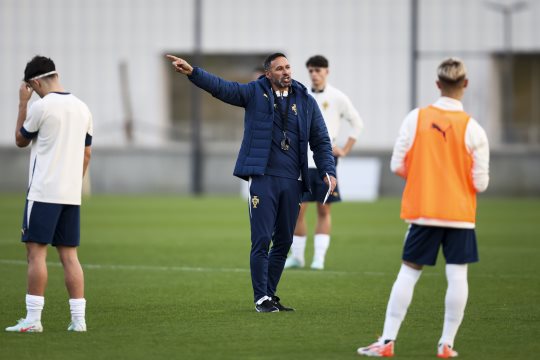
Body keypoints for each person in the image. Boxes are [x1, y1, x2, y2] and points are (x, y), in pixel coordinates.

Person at [166, 52, 337, 312]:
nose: (286, 72)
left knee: (284, 242)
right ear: (268, 73)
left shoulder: (305, 100)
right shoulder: (254, 93)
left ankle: (269, 294)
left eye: (288, 67)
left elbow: (321, 139)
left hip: (293, 180)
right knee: (261, 240)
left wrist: (328, 170)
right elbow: (222, 88)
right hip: (263, 178)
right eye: (279, 68)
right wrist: (193, 72)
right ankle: (260, 298)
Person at [357, 58, 489, 358]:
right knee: (458, 277)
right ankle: (446, 345)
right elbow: (480, 183)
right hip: (460, 215)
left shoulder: (415, 118)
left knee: (408, 274)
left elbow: (397, 165)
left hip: (423, 211)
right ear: (465, 85)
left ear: (437, 84)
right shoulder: (474, 129)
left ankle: (387, 341)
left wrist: (425, 176)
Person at [6, 56, 93, 333]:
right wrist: (72, 183)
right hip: (70, 194)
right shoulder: (82, 108)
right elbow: (86, 153)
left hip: (43, 192)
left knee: (36, 254)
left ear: (34, 82)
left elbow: (20, 140)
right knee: (70, 256)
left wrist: (23, 103)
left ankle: (33, 320)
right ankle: (78, 321)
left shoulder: (41, 106)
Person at [285, 55, 363, 270]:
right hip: (300, 162)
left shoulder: (338, 97)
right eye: (310, 70)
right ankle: (297, 256)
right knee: (298, 210)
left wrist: (344, 149)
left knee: (323, 210)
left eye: (318, 70)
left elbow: (357, 123)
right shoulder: (300, 95)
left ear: (327, 71)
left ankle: (319, 257)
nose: (314, 74)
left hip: (325, 162)